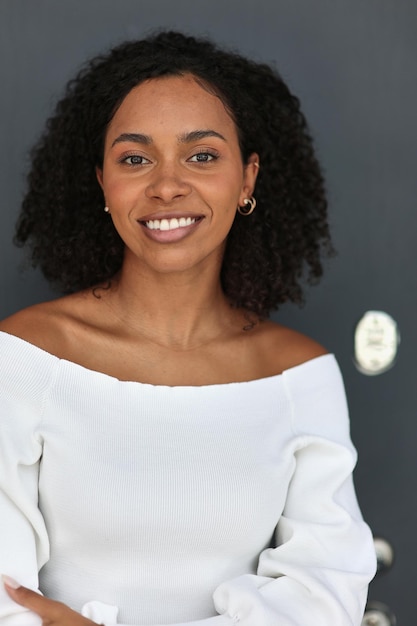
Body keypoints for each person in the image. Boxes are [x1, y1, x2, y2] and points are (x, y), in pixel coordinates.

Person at [0, 30, 376, 626]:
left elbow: (325, 597)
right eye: (135, 158)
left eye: (202, 155)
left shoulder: (298, 375)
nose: (167, 185)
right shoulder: (23, 359)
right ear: (102, 181)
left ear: (247, 179)